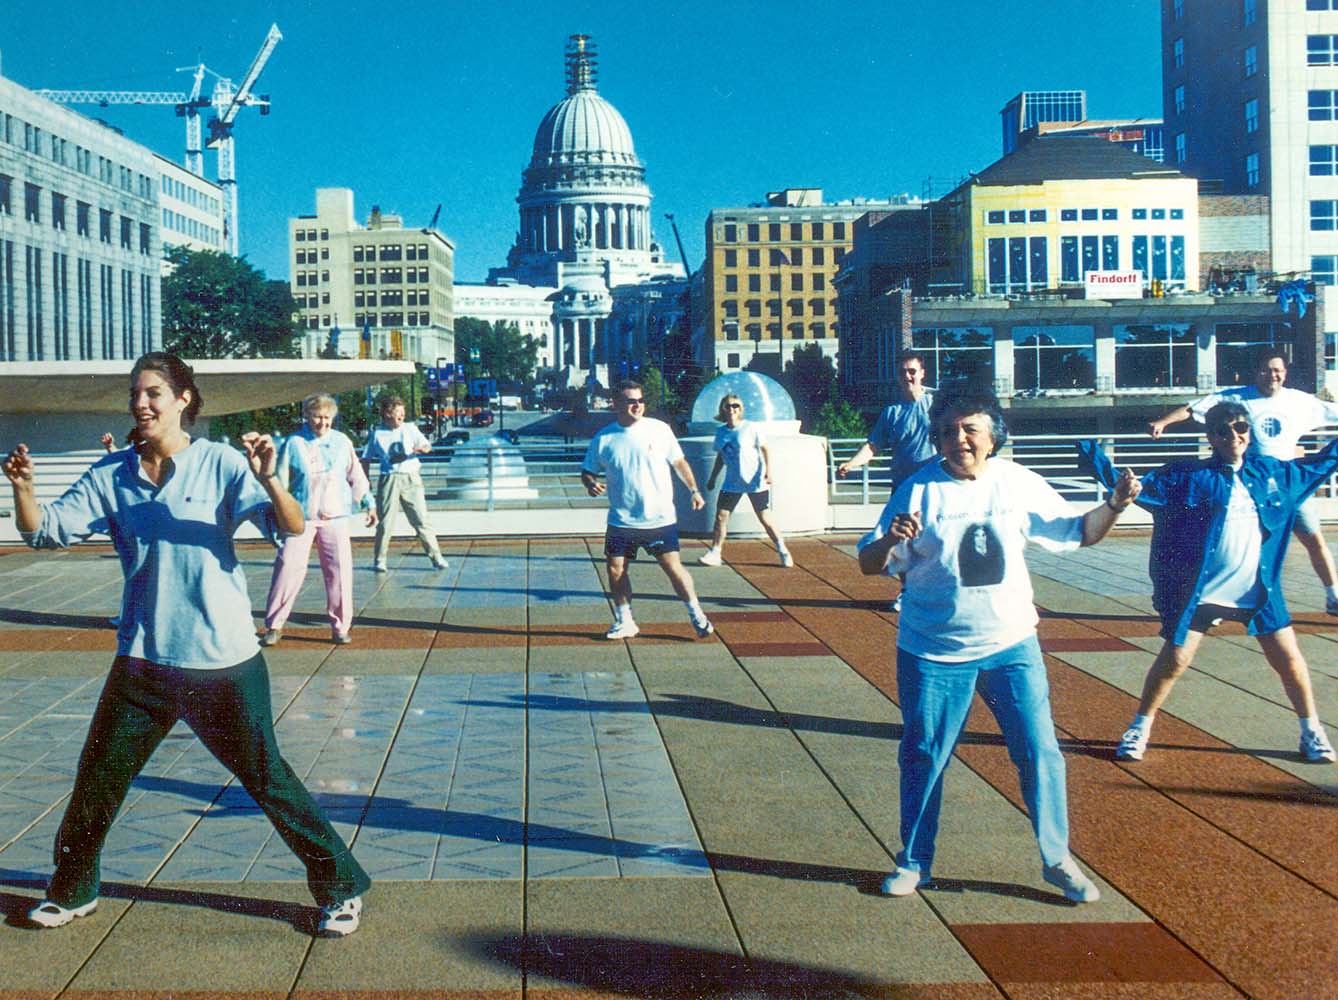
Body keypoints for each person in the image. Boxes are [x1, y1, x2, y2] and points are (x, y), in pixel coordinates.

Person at [3, 353, 369, 935]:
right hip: (144, 661)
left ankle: (342, 887)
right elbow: (43, 530)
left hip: (223, 662)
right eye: (134, 394)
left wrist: (271, 477)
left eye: (153, 392)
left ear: (183, 401)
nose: (141, 403)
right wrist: (22, 488)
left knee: (267, 779)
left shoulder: (222, 463)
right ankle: (72, 890)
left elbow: (292, 527)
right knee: (97, 778)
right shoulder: (112, 474)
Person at [858, 390, 1140, 902]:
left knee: (1039, 751)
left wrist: (1115, 506)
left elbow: (1080, 531)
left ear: (993, 435)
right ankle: (914, 861)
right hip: (933, 650)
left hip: (1011, 644)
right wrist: (887, 540)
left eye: (969, 429)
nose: (958, 440)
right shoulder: (917, 490)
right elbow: (869, 563)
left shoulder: (1016, 481)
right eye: (946, 431)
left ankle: (1056, 859)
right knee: (924, 754)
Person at [1082, 401, 1338, 764]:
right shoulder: (1187, 476)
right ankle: (1140, 726)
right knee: (1174, 661)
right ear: (1210, 437)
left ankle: (1311, 731)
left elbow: (1322, 462)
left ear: (1249, 432)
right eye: (1224, 430)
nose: (1234, 436)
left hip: (1258, 590)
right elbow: (1138, 488)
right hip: (1203, 591)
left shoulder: (1274, 473)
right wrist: (1100, 463)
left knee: (1290, 661)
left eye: (1240, 428)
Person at [1148, 350, 1338, 614]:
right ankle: (1218, 602)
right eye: (1266, 370)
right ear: (1256, 372)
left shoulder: (1300, 401)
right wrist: (1164, 422)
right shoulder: (1238, 398)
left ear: (1285, 373)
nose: (1272, 375)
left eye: (1278, 370)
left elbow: (1334, 413)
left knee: (1313, 539)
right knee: (1241, 545)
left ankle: (1333, 596)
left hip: (1288, 483)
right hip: (1251, 485)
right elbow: (1194, 408)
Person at [580, 380, 714, 641]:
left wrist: (694, 490)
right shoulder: (604, 438)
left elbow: (679, 462)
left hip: (659, 518)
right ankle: (625, 621)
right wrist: (591, 484)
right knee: (616, 569)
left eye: (640, 400)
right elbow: (587, 471)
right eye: (631, 401)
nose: (637, 405)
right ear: (616, 404)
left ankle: (697, 615)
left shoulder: (660, 430)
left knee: (673, 568)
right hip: (622, 520)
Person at [261, 394, 377, 646]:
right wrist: (277, 513)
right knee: (288, 567)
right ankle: (274, 625)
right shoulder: (294, 443)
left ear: (333, 418)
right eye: (316, 416)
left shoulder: (342, 442)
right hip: (300, 518)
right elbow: (280, 481)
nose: (322, 422)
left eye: (327, 418)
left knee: (339, 572)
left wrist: (368, 502)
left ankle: (340, 627)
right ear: (307, 416)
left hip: (335, 517)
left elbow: (355, 475)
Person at [839, 351, 936, 609]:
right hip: (903, 489)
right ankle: (907, 590)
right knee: (902, 541)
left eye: (912, 371)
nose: (908, 376)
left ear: (922, 373)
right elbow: (872, 447)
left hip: (935, 488)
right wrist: (851, 463)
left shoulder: (937, 407)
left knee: (936, 538)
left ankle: (937, 590)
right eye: (903, 372)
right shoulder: (892, 412)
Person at [698, 393, 792, 568]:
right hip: (732, 482)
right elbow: (721, 456)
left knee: (764, 517)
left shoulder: (751, 427)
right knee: (721, 517)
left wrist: (768, 472)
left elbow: (765, 449)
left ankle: (783, 550)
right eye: (728, 406)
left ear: (741, 409)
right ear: (722, 409)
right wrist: (713, 478)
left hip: (754, 480)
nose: (732, 409)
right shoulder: (721, 432)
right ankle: (715, 553)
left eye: (736, 406)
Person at [364, 394, 448, 573]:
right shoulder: (377, 433)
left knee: (421, 520)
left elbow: (427, 446)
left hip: (411, 477)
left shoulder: (410, 428)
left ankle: (436, 556)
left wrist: (422, 449)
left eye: (403, 413)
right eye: (397, 413)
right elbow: (366, 458)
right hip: (390, 479)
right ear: (387, 414)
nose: (401, 417)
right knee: (386, 522)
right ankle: (380, 559)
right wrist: (365, 481)